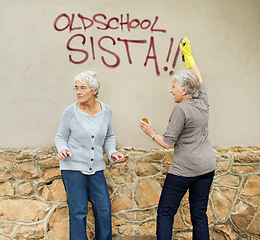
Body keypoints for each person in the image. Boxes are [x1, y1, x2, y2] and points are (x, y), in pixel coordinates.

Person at [139, 36, 216, 240]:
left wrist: (151, 132)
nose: (171, 90)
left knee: (165, 212)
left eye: (174, 86)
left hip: (184, 170)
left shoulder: (181, 109)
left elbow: (167, 143)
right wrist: (188, 56)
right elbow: (198, 77)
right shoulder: (202, 100)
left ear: (184, 90)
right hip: (207, 167)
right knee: (199, 214)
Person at [55, 70, 125, 240]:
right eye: (76, 88)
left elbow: (109, 136)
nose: (78, 92)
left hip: (97, 168)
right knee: (78, 212)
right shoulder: (70, 112)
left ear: (94, 90)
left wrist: (112, 152)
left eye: (83, 88)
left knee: (104, 209)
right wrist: (62, 149)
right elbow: (60, 137)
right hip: (73, 168)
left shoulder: (106, 111)